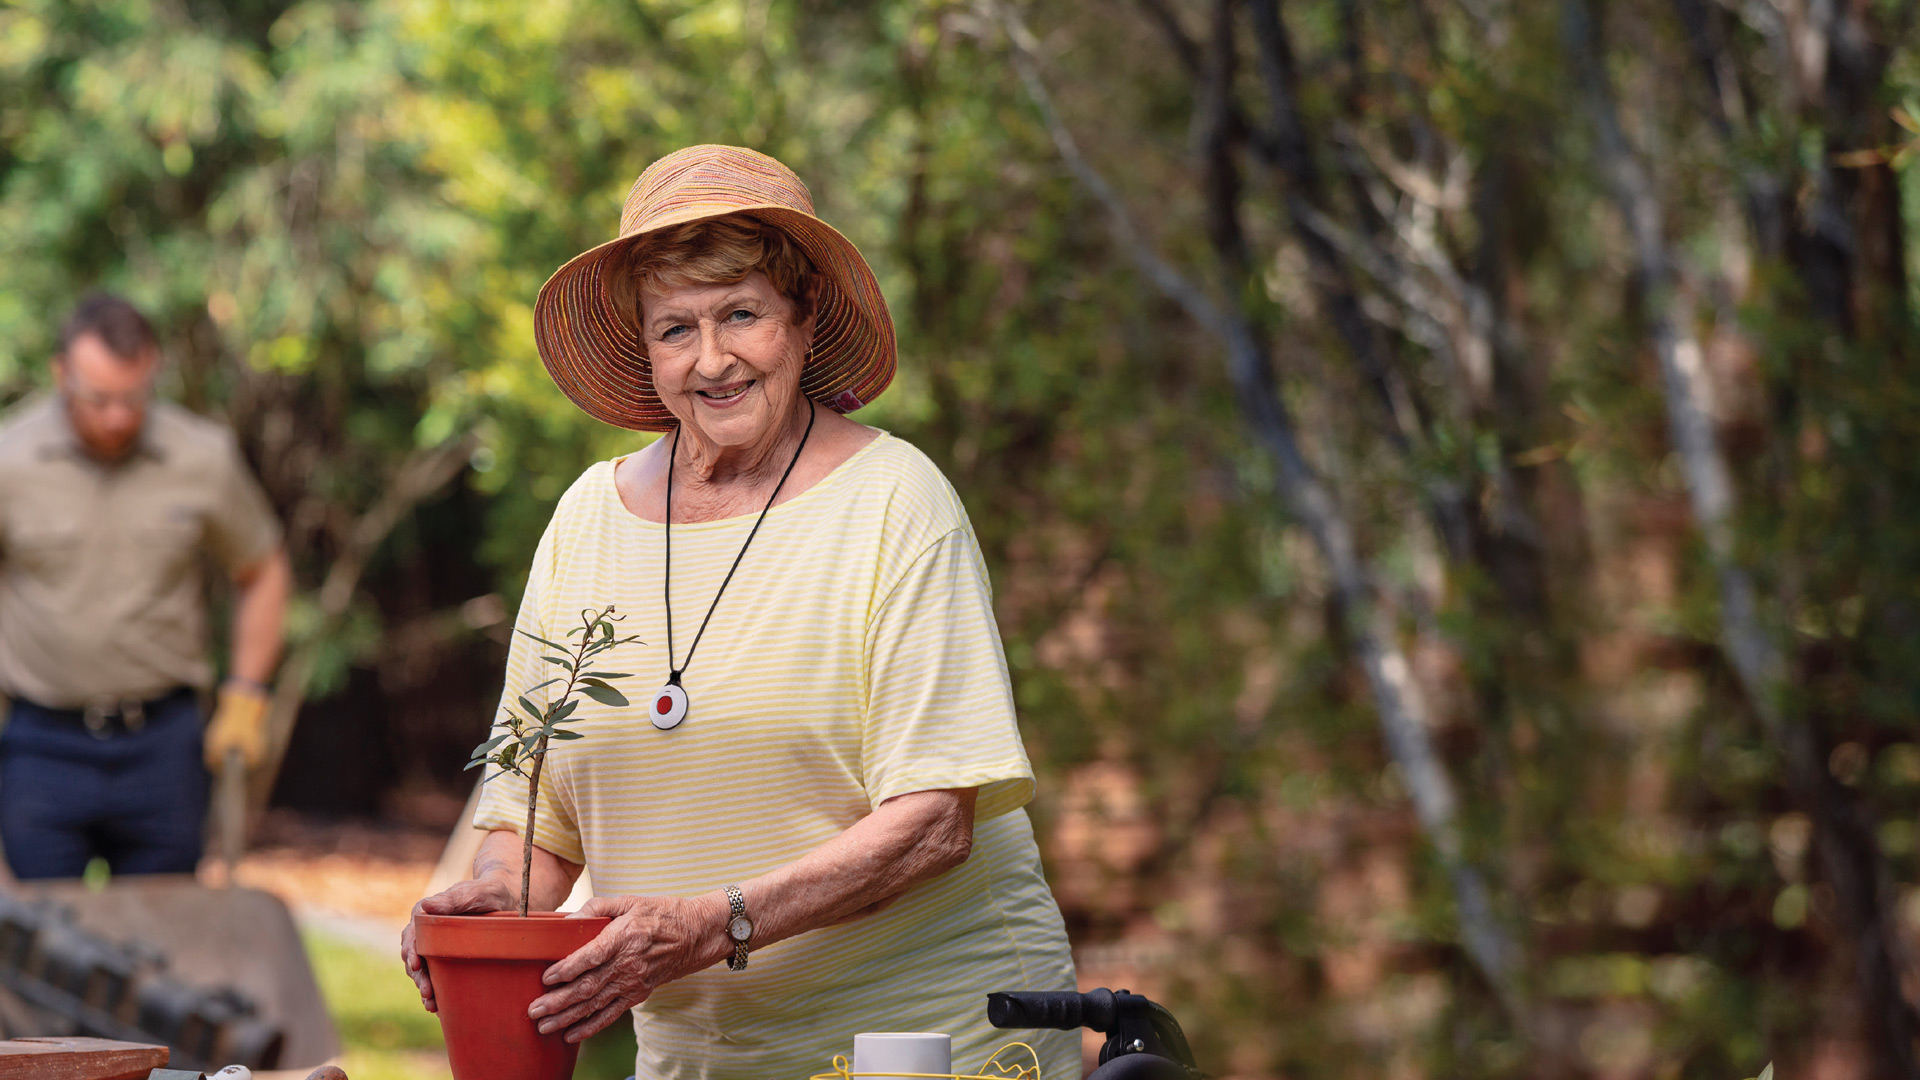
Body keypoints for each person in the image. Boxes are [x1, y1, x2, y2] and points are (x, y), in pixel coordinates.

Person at [402, 145, 1079, 1080]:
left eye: (741, 315)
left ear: (802, 320)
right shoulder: (587, 521)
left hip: (929, 1042)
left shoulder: (895, 502)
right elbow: (535, 819)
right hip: (701, 1059)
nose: (711, 359)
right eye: (675, 328)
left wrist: (713, 924)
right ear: (645, 350)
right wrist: (488, 904)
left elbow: (934, 821)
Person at [0, 293, 292, 879]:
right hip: (40, 745)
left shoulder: (202, 457)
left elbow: (262, 568)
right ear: (62, 374)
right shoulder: (9, 459)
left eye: (133, 398)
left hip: (163, 746)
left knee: (169, 943)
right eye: (98, 398)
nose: (117, 417)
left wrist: (246, 694)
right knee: (42, 949)